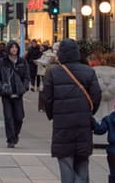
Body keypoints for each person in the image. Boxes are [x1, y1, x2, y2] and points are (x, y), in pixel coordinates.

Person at [41, 38, 102, 183]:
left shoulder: (53, 73)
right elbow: (96, 95)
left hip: (62, 123)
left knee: (65, 161)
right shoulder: (89, 72)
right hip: (83, 123)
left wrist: (52, 114)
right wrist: (89, 112)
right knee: (82, 159)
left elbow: (47, 98)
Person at [0, 40, 31, 148]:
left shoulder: (22, 62)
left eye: (16, 47)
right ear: (8, 49)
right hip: (6, 94)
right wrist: (1, 88)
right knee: (8, 117)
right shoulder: (2, 62)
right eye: (12, 47)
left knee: (19, 117)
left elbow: (27, 77)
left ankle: (15, 134)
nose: (14, 49)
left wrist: (24, 87)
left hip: (18, 93)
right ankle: (10, 139)